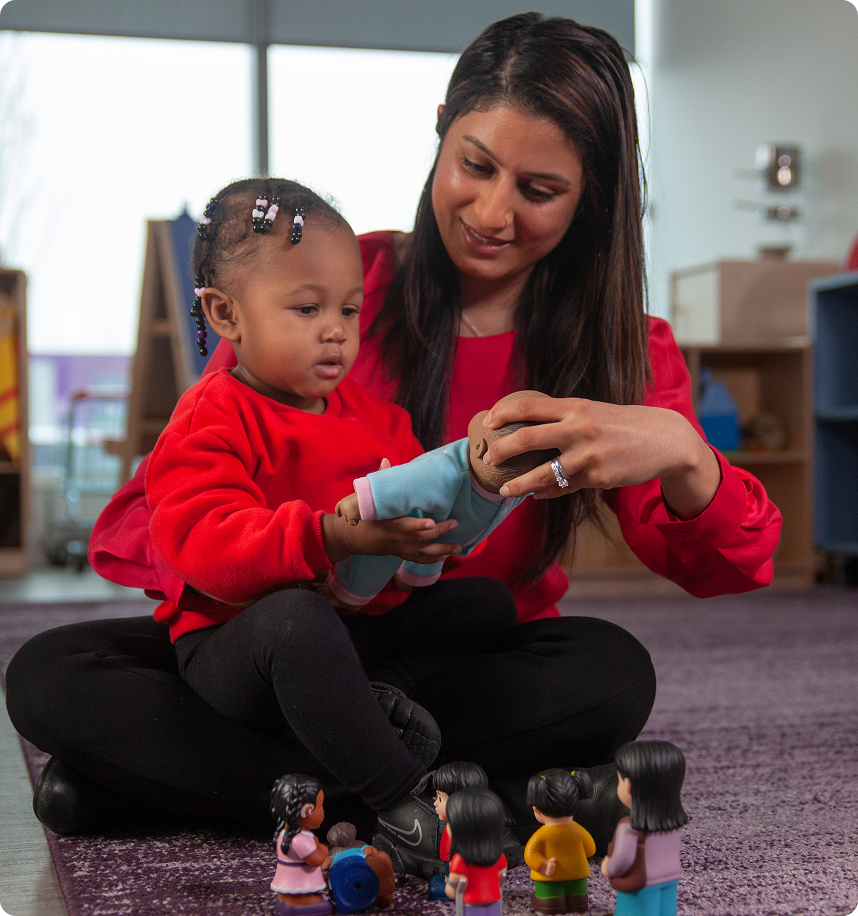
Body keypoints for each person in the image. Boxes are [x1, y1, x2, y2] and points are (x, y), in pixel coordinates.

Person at [6, 10, 780, 870]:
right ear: (440, 139)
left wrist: (681, 449)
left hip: (436, 663)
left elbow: (727, 566)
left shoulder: (620, 352)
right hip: (274, 646)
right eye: (474, 166)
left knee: (611, 670)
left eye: (538, 189)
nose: (491, 212)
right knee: (53, 670)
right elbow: (147, 524)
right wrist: (316, 557)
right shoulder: (326, 289)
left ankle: (173, 789)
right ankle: (487, 804)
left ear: (590, 197)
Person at [600, 741, 688, 916]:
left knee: (635, 910)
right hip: (671, 874)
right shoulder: (673, 821)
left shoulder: (629, 827)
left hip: (642, 881)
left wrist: (607, 867)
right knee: (666, 910)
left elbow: (622, 861)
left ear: (629, 785)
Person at [524, 769, 595, 914]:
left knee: (549, 898)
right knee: (578, 895)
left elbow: (530, 853)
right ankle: (578, 901)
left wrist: (543, 864)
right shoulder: (579, 831)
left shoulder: (541, 835)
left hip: (549, 878)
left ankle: (550, 902)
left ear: (537, 809)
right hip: (577, 874)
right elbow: (590, 851)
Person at [270, 774, 333, 916]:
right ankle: (298, 902)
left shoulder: (282, 833)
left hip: (285, 881)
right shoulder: (299, 839)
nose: (322, 810)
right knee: (324, 904)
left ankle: (285, 898)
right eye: (320, 806)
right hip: (299, 883)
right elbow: (315, 860)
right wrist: (323, 850)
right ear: (307, 811)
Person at [444, 788, 508, 916]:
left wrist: (450, 889)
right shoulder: (498, 855)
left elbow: (452, 890)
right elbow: (502, 875)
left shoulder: (460, 860)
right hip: (494, 899)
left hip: (471, 903)